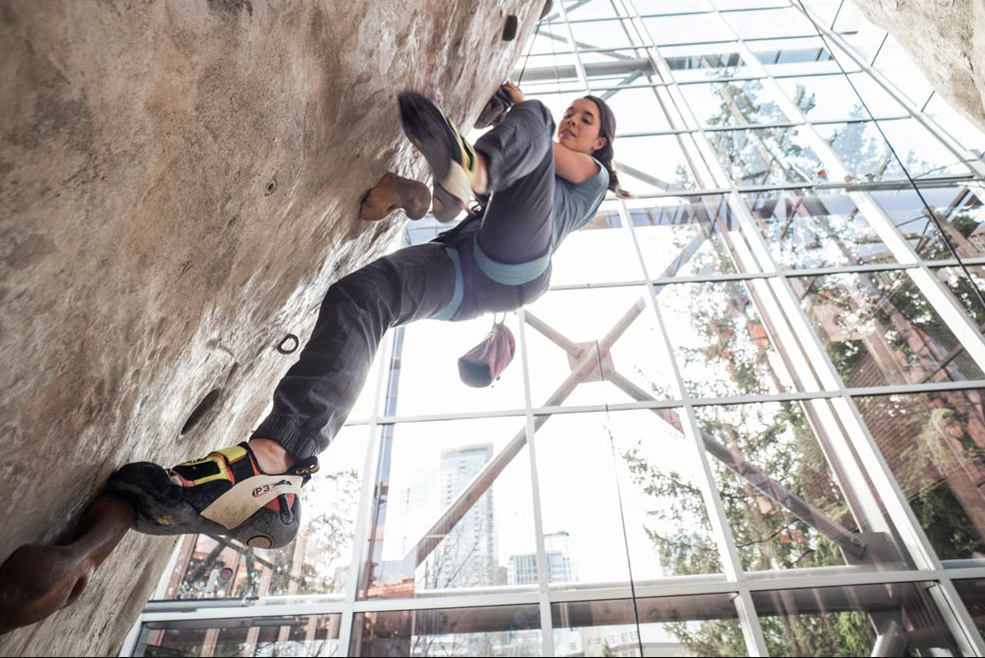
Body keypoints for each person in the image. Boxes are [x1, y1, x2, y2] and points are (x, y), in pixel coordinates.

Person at [109, 83, 622, 549]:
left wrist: (521, 118)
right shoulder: (539, 152)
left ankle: (477, 168)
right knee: (359, 298)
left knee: (536, 114)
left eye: (586, 120)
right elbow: (533, 151)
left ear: (599, 143)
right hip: (462, 269)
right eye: (573, 112)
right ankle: (278, 463)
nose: (573, 120)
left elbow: (547, 151)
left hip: (516, 265)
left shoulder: (592, 177)